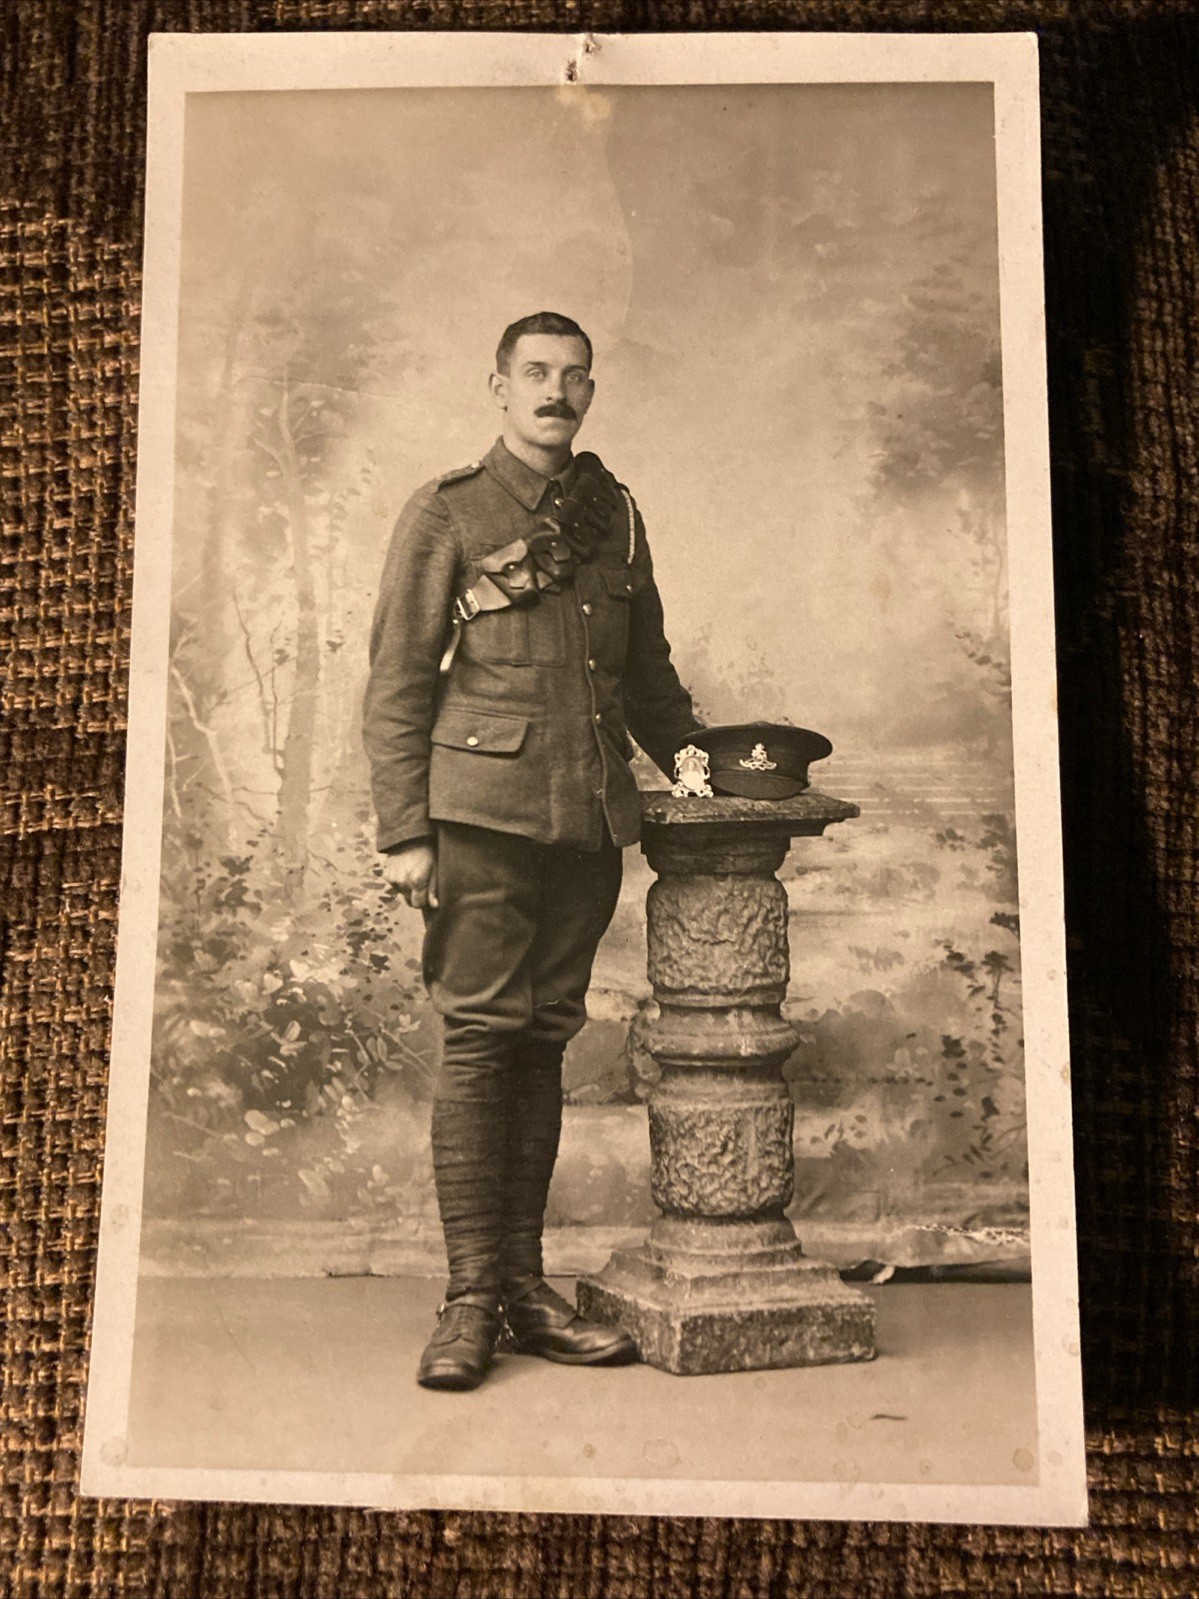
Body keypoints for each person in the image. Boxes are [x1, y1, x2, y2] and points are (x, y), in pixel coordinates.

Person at [363, 311, 699, 1390]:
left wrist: (702, 766)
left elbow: (645, 679)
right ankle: (469, 1298)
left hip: (587, 821)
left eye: (574, 377)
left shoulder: (617, 518)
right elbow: (399, 680)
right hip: (479, 817)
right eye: (536, 374)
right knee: (478, 1042)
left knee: (543, 1040)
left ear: (591, 394)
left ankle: (525, 1287)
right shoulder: (448, 512)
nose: (556, 392)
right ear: (498, 387)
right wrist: (405, 831)